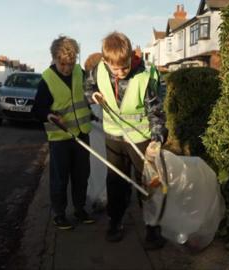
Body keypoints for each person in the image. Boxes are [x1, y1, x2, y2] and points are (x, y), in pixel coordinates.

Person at [84, 31, 168, 249]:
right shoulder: (99, 70)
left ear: (131, 56)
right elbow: (88, 88)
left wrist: (157, 138)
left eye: (125, 67)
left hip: (140, 139)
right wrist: (92, 95)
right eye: (116, 69)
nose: (121, 72)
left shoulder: (144, 76)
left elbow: (156, 111)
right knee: (115, 182)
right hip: (113, 137)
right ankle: (115, 221)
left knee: (147, 183)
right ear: (105, 61)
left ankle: (152, 227)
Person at [33, 35, 95, 230]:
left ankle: (80, 209)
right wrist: (50, 116)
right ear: (54, 58)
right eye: (63, 65)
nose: (67, 69)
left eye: (70, 64)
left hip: (82, 135)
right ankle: (59, 214)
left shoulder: (80, 72)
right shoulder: (47, 79)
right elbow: (38, 109)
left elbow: (88, 94)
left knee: (81, 175)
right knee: (60, 179)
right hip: (60, 138)